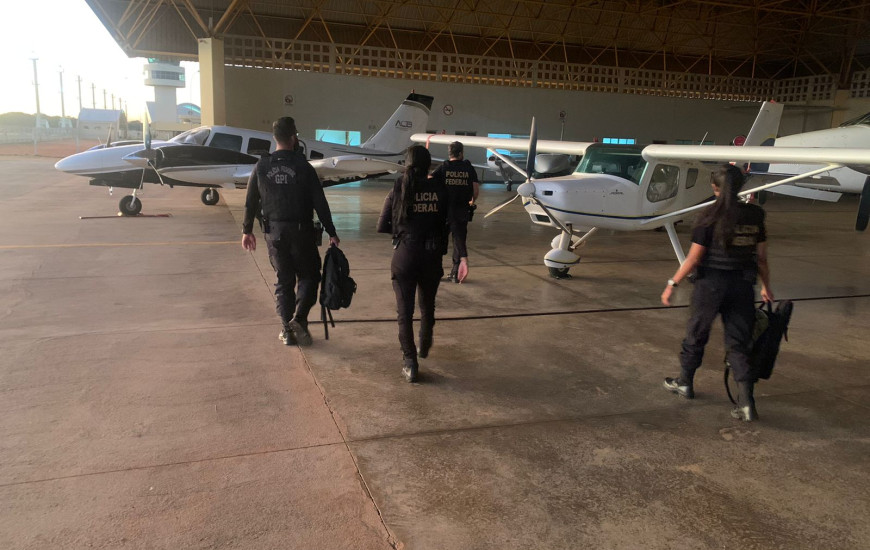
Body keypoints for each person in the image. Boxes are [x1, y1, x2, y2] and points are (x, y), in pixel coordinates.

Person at [660, 164, 773, 422]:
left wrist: (672, 283)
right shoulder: (755, 215)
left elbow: (694, 258)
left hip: (709, 287)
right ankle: (746, 403)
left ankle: (685, 383)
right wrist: (767, 286)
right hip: (742, 287)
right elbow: (762, 258)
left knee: (696, 334)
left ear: (714, 188)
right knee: (739, 343)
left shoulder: (708, 215)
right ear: (741, 187)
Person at [241, 116, 340, 347]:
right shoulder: (303, 166)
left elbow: (250, 201)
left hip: (274, 234)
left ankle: (286, 330)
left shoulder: (262, 166)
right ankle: (299, 319)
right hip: (302, 232)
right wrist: (331, 231)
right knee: (310, 275)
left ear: (274, 138)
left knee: (283, 281)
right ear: (294, 137)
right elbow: (319, 201)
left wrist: (247, 230)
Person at [377, 145, 449, 382]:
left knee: (404, 311)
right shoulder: (439, 188)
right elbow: (446, 222)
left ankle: (410, 362)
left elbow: (382, 225)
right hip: (431, 255)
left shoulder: (399, 186)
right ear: (428, 164)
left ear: (407, 164)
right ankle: (424, 344)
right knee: (427, 305)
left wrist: (402, 232)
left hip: (405, 255)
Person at [429, 141, 480, 283]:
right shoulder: (469, 168)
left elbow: (429, 179)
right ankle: (455, 273)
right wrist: (472, 201)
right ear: (461, 153)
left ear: (450, 153)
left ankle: (436, 271)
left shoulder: (444, 167)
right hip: (461, 211)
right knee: (459, 241)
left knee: (439, 242)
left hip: (443, 212)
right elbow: (475, 190)